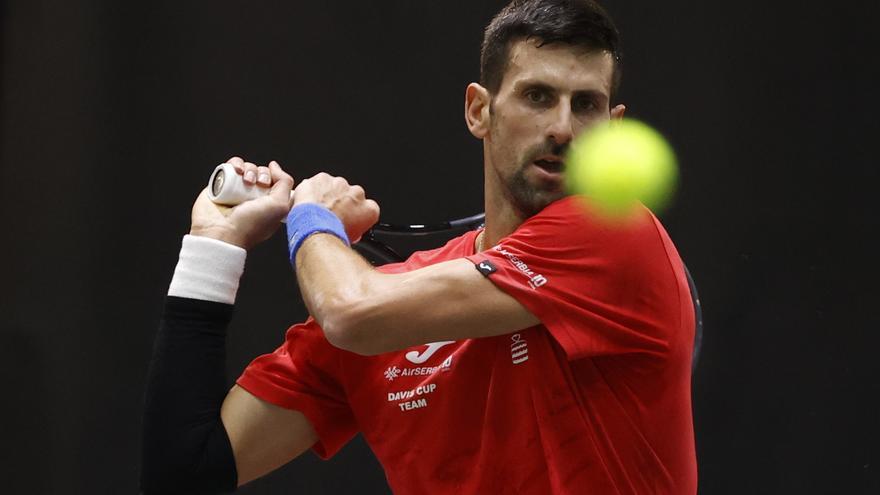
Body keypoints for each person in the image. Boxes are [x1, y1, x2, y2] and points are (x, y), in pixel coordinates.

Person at [141, 0, 697, 493]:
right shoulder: (395, 307)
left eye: (586, 105)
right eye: (537, 96)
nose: (562, 128)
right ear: (479, 110)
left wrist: (313, 218)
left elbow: (348, 310)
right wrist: (213, 245)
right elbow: (184, 474)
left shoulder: (616, 234)